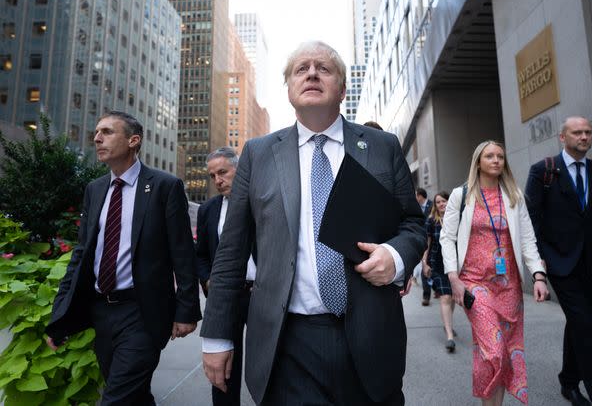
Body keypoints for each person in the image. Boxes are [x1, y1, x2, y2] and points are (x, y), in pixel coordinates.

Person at [200, 41, 425, 405]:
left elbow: (413, 225)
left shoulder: (382, 146)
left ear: (342, 88)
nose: (312, 73)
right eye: (301, 68)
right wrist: (217, 336)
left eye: (324, 67)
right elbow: (231, 252)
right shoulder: (258, 154)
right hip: (287, 343)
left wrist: (395, 258)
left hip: (369, 335)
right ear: (289, 87)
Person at [45, 111, 201, 405]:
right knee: (134, 395)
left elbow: (182, 251)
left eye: (106, 131)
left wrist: (187, 310)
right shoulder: (95, 189)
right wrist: (59, 316)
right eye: (96, 132)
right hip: (101, 310)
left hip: (142, 311)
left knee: (116, 398)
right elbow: (81, 256)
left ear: (133, 140)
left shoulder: (164, 186)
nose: (97, 138)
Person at [525, 116, 592, 406]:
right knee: (584, 326)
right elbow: (531, 218)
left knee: (578, 323)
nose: (584, 137)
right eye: (577, 132)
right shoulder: (543, 172)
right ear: (563, 137)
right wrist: (537, 265)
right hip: (559, 263)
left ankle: (568, 382)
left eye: (587, 132)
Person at [441, 140, 549, 405]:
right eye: (490, 156)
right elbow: (447, 237)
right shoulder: (462, 195)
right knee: (495, 348)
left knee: (500, 351)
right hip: (474, 283)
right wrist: (453, 277)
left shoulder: (514, 196)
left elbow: (527, 239)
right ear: (478, 162)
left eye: (500, 156)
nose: (496, 160)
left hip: (508, 286)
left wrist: (538, 275)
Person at [196, 146, 255, 406]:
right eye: (212, 176)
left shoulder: (262, 200)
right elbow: (200, 255)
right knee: (223, 371)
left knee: (270, 363)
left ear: (239, 170)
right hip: (225, 298)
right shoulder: (208, 209)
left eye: (222, 172)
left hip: (262, 296)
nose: (218, 181)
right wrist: (208, 281)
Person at [421, 191, 457, 352]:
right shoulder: (431, 221)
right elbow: (426, 245)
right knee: (446, 297)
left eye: (444, 201)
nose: (442, 204)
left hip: (455, 266)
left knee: (453, 298)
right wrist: (424, 263)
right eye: (438, 202)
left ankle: (447, 324)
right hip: (437, 265)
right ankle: (449, 335)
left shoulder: (457, 219)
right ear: (435, 206)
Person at [416, 187, 434, 306]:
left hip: (435, 240)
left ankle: (437, 288)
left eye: (415, 195)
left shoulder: (433, 205)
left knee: (435, 266)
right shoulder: (415, 207)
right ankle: (426, 296)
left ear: (420, 196)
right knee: (425, 265)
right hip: (423, 240)